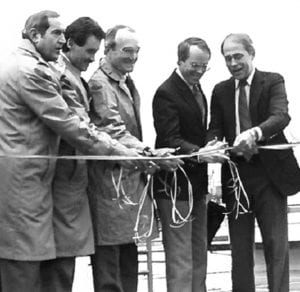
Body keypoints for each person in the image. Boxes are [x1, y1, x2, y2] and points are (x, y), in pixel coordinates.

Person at [0, 11, 141, 292]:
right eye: (56, 34)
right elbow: (72, 125)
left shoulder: (34, 67)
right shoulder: (33, 71)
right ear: (34, 34)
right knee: (24, 268)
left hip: (35, 183)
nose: (62, 41)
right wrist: (121, 153)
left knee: (37, 266)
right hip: (26, 184)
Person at [88, 25, 180, 292]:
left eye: (136, 51)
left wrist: (147, 155)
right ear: (109, 50)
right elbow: (112, 129)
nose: (133, 57)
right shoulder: (99, 83)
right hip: (109, 186)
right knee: (109, 267)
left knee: (128, 260)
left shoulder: (124, 81)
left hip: (128, 185)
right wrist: (150, 153)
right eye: (127, 50)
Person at [207, 33, 300, 292]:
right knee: (240, 249)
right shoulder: (220, 90)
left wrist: (254, 133)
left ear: (251, 54)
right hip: (237, 177)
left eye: (238, 56)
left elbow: (281, 116)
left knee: (276, 246)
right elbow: (214, 128)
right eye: (228, 58)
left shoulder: (272, 81)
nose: (234, 63)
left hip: (271, 176)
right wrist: (212, 143)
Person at [40, 17, 106, 292]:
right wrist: (126, 153)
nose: (93, 59)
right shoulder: (63, 78)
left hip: (75, 184)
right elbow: (82, 128)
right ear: (70, 44)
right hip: (63, 185)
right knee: (60, 267)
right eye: (89, 51)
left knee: (66, 265)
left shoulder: (76, 77)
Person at [152, 37, 220, 292]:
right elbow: (170, 138)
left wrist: (212, 146)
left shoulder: (196, 88)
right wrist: (200, 153)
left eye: (204, 66)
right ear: (179, 60)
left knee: (198, 253)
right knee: (180, 258)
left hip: (197, 185)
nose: (200, 71)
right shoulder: (165, 92)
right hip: (174, 185)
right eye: (194, 65)